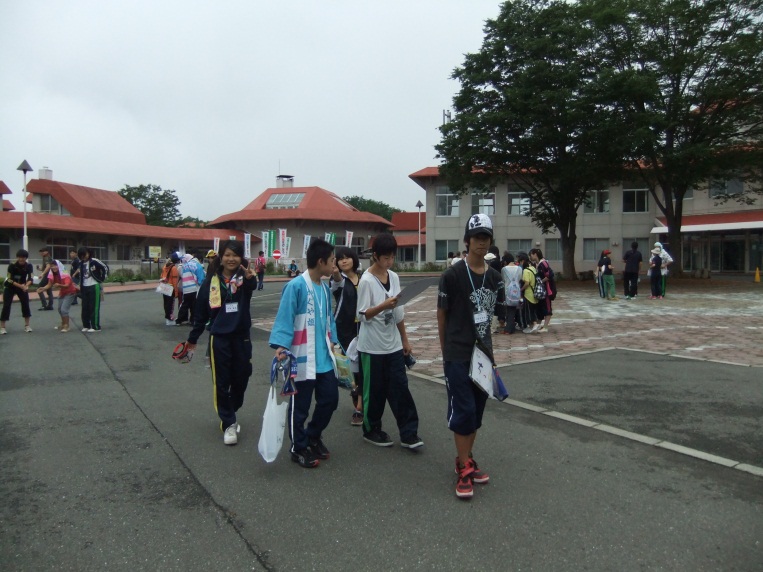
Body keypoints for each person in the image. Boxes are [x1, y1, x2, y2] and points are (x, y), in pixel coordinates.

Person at [437, 213, 503, 499]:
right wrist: (445, 352)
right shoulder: (451, 276)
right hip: (457, 352)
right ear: (467, 240)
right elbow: (442, 314)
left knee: (476, 412)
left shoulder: (495, 277)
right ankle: (464, 467)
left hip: (483, 355)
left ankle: (466, 458)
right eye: (476, 237)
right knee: (463, 410)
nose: (481, 242)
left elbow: (494, 315)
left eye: (485, 237)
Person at [270, 239, 340, 468]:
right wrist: (281, 345)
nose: (334, 265)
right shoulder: (296, 286)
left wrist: (333, 339)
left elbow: (329, 318)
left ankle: (313, 435)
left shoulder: (324, 288)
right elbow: (285, 316)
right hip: (301, 357)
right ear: (321, 262)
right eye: (332, 261)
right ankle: (298, 448)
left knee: (330, 400)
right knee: (299, 407)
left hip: (324, 358)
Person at [184, 240, 257, 446]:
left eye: (235, 255)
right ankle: (229, 423)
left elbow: (252, 287)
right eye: (227, 255)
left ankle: (230, 411)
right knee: (222, 382)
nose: (231, 259)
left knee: (242, 378)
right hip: (220, 338)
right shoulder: (210, 282)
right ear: (221, 257)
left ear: (241, 258)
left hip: (242, 337)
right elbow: (200, 314)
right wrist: (192, 339)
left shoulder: (244, 279)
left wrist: (251, 278)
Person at [356, 233, 422, 449]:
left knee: (400, 388)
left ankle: (409, 433)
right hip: (371, 347)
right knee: (374, 392)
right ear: (375, 256)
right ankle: (371, 429)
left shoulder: (393, 277)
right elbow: (362, 315)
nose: (390, 262)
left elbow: (398, 313)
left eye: (393, 257)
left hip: (393, 345)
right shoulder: (366, 281)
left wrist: (405, 340)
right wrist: (384, 305)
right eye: (386, 258)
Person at [330, 246, 363, 426]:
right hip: (346, 330)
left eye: (347, 257)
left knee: (364, 367)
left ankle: (360, 406)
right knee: (353, 370)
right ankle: (357, 403)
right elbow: (337, 283)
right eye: (340, 258)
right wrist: (335, 273)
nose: (344, 261)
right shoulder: (340, 280)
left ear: (353, 259)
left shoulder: (364, 278)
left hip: (365, 328)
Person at [36, 260, 78, 332]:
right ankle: (63, 324)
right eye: (52, 266)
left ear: (59, 266)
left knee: (64, 310)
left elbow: (67, 285)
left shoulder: (64, 274)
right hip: (62, 293)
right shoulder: (52, 274)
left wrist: (59, 285)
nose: (53, 267)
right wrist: (43, 288)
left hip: (70, 292)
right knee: (60, 309)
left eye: (55, 266)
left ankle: (66, 326)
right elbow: (49, 284)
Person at [1, 249, 34, 334]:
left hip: (22, 286)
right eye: (19, 257)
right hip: (10, 286)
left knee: (25, 304)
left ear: (26, 258)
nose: (21, 259)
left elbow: (31, 278)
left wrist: (26, 286)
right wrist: (21, 286)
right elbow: (9, 279)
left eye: (23, 257)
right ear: (17, 257)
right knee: (6, 305)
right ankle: (2, 327)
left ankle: (27, 326)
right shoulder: (12, 265)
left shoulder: (29, 266)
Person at [77, 247, 109, 332]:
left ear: (89, 253)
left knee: (94, 307)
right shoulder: (81, 263)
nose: (85, 256)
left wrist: (102, 278)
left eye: (86, 254)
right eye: (83, 255)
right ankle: (86, 325)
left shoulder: (94, 261)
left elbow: (105, 267)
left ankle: (95, 327)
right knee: (84, 307)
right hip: (84, 287)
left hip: (94, 285)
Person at [175, 252, 205, 326]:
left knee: (185, 305)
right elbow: (201, 279)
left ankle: (179, 320)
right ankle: (193, 320)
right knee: (194, 305)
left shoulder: (185, 266)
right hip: (194, 288)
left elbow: (182, 276)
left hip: (186, 289)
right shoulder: (197, 265)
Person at [529, 248, 554, 332]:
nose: (530, 257)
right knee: (541, 307)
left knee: (547, 308)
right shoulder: (538, 264)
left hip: (546, 290)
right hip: (542, 290)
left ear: (535, 254)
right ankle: (541, 325)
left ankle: (545, 327)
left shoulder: (543, 263)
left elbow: (549, 275)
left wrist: (540, 282)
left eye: (531, 255)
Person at [516, 252, 540, 333]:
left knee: (528, 312)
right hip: (534, 293)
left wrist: (521, 289)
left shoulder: (526, 270)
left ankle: (534, 324)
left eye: (520, 261)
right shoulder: (533, 268)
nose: (519, 263)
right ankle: (532, 326)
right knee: (533, 310)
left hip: (528, 294)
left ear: (522, 261)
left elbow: (526, 283)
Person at [500, 252, 522, 335]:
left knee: (509, 309)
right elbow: (520, 278)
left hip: (507, 291)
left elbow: (503, 279)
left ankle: (508, 329)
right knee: (513, 308)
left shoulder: (504, 269)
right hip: (516, 291)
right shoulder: (519, 268)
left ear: (506, 261)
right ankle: (511, 327)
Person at [160, 256, 181, 326]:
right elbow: (175, 281)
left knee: (166, 304)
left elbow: (161, 276)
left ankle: (167, 318)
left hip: (164, 287)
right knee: (171, 304)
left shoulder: (165, 266)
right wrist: (176, 292)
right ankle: (170, 319)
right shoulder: (174, 268)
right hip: (171, 288)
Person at [36, 247, 55, 311]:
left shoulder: (47, 258)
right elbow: (44, 268)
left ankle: (44, 305)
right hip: (50, 275)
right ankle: (50, 305)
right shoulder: (46, 258)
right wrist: (39, 269)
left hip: (47, 275)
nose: (41, 253)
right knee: (49, 290)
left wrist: (42, 274)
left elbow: (48, 266)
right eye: (41, 252)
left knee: (39, 288)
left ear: (47, 252)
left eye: (43, 251)